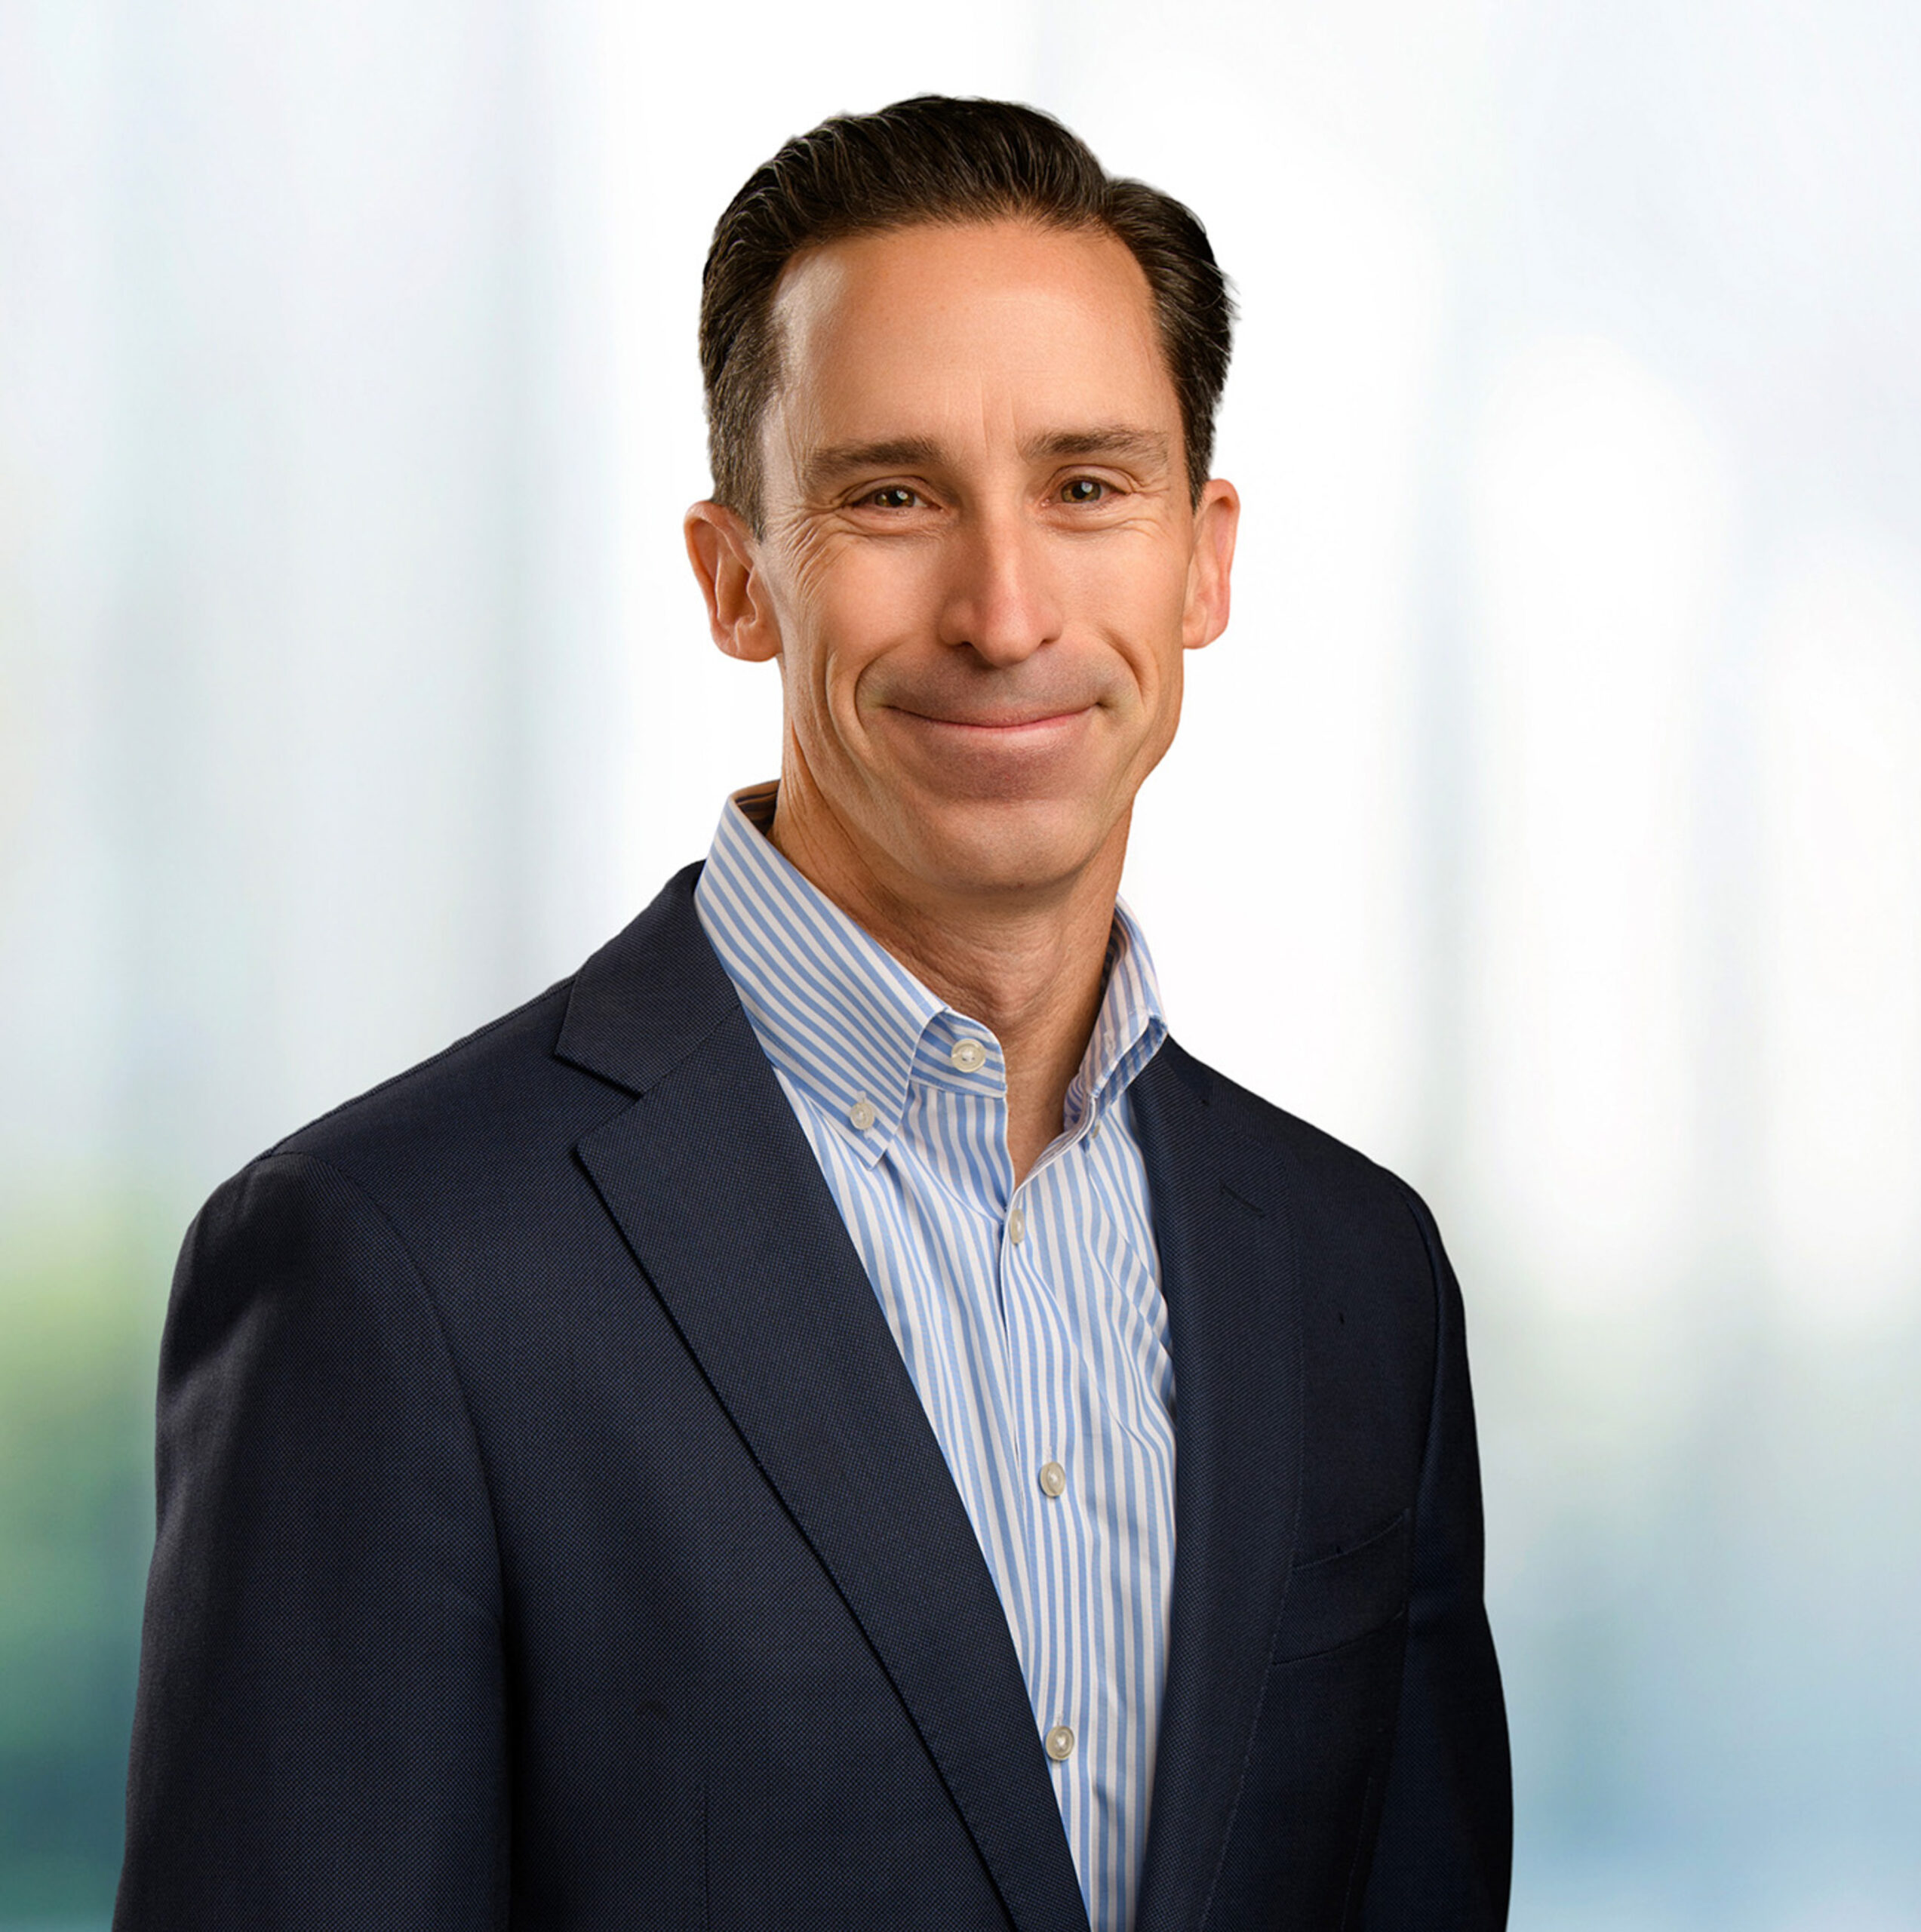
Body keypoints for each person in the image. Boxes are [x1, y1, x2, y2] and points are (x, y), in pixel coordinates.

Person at [114, 95, 1510, 1931]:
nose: (1004, 610)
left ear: (1202, 560)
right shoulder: (392, 1265)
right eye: (890, 495)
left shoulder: (1355, 1278)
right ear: (733, 575)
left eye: (1087, 487)